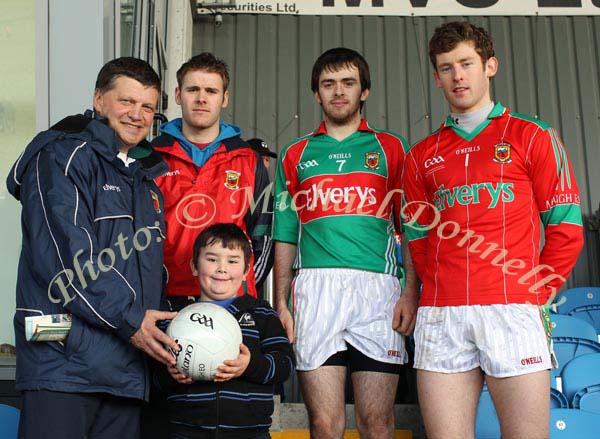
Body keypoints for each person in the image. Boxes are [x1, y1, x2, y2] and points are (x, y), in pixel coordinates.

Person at [401, 21, 584, 439]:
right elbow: (417, 236)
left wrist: (535, 288)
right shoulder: (420, 155)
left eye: (466, 63)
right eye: (446, 68)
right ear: (436, 77)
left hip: (512, 308)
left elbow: (565, 225)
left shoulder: (532, 135)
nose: (457, 76)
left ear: (490, 66)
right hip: (441, 314)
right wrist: (437, 285)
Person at [6, 57, 180, 439]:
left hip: (123, 372)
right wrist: (133, 323)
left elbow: (146, 280)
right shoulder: (61, 157)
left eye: (147, 107)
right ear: (99, 99)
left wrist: (169, 343)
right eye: (126, 101)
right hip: (62, 365)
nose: (137, 115)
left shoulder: (144, 182)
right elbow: (67, 263)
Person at [273, 47, 419, 439]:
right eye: (328, 84)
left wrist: (410, 291)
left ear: (364, 91)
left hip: (378, 290)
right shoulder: (295, 153)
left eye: (348, 83)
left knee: (377, 422)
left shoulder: (392, 148)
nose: (338, 92)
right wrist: (281, 303)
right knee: (324, 424)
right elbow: (285, 234)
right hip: (315, 289)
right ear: (316, 94)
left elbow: (409, 227)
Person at [152, 53, 272, 307]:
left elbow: (263, 232)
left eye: (211, 91)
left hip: (232, 300)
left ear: (224, 98)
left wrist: (241, 286)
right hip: (165, 299)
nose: (201, 98)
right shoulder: (151, 158)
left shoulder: (249, 161)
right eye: (192, 89)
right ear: (177, 94)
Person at [160, 223, 295, 439]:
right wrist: (168, 373)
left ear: (245, 272)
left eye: (232, 261)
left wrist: (249, 366)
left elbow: (285, 365)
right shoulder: (176, 317)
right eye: (212, 260)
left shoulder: (261, 313)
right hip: (186, 431)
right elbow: (153, 372)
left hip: (250, 433)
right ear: (194, 265)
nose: (222, 268)